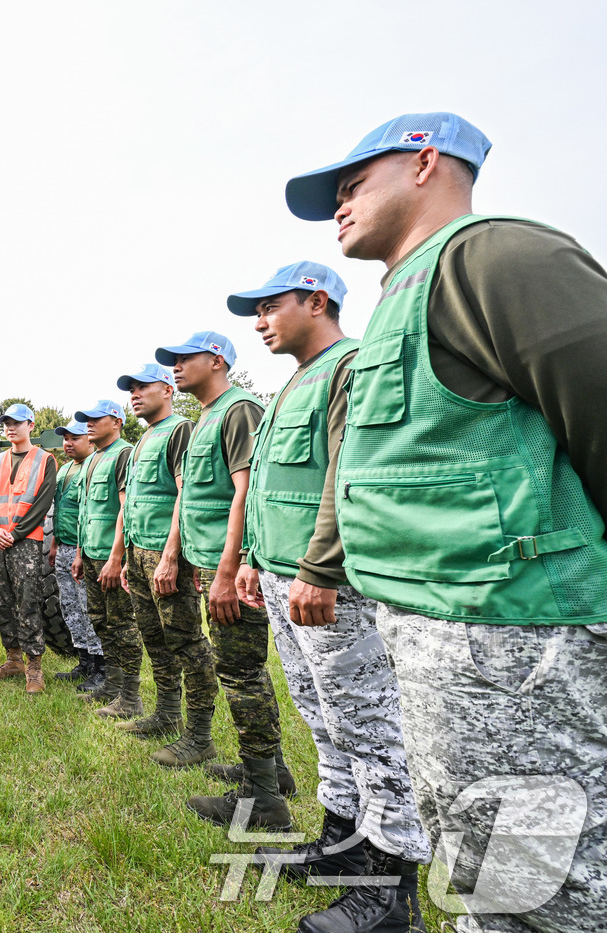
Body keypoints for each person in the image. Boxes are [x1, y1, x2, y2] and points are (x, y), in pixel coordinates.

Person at [287, 112, 607, 933]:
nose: (340, 207)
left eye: (354, 184)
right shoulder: (405, 297)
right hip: (446, 642)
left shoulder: (494, 258)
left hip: (521, 641)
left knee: (545, 896)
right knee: (483, 881)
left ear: (426, 163)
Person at [228, 262, 432, 933]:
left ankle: (389, 892)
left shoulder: (348, 364)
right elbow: (272, 486)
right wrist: (259, 559)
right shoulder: (293, 382)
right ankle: (339, 842)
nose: (259, 322)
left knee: (372, 729)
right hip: (289, 578)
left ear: (316, 301)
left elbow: (347, 473)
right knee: (326, 719)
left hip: (329, 584)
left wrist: (318, 565)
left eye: (268, 307)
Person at [154, 331, 289, 830]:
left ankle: (265, 799)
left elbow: (246, 492)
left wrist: (229, 572)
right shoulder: (205, 418)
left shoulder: (239, 410)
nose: (175, 367)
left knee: (241, 672)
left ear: (216, 361)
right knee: (241, 668)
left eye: (184, 358)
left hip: (226, 566)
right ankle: (273, 771)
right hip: (208, 560)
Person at [111, 365, 200, 741]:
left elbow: (185, 493)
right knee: (154, 638)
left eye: (143, 386)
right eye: (130, 388)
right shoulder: (145, 437)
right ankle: (166, 713)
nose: (134, 393)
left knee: (184, 641)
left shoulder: (179, 429)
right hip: (138, 552)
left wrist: (170, 555)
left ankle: (199, 732)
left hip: (164, 553)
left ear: (167, 390)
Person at [68, 400, 143, 719]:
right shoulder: (92, 459)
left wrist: (116, 558)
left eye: (96, 419)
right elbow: (87, 512)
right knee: (100, 620)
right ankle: (111, 685)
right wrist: (81, 555)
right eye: (86, 419)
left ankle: (130, 695)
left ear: (117, 422)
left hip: (111, 557)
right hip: (91, 555)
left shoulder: (123, 453)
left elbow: (126, 509)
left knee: (123, 625)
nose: (89, 424)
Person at [0, 403, 56, 694]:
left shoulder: (45, 459)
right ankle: (12, 659)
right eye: (7, 423)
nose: (11, 427)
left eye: (17, 422)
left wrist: (15, 533)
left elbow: (42, 502)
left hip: (26, 541)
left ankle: (34, 666)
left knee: (28, 602)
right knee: (0, 601)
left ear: (31, 426)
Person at [47, 420, 105, 690]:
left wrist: (79, 552)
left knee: (88, 608)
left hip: (84, 550)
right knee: (70, 609)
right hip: (63, 548)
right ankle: (83, 662)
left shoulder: (94, 466)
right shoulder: (65, 470)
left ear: (90, 440)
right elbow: (60, 510)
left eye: (75, 438)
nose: (68, 443)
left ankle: (100, 668)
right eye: (65, 438)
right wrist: (55, 544)